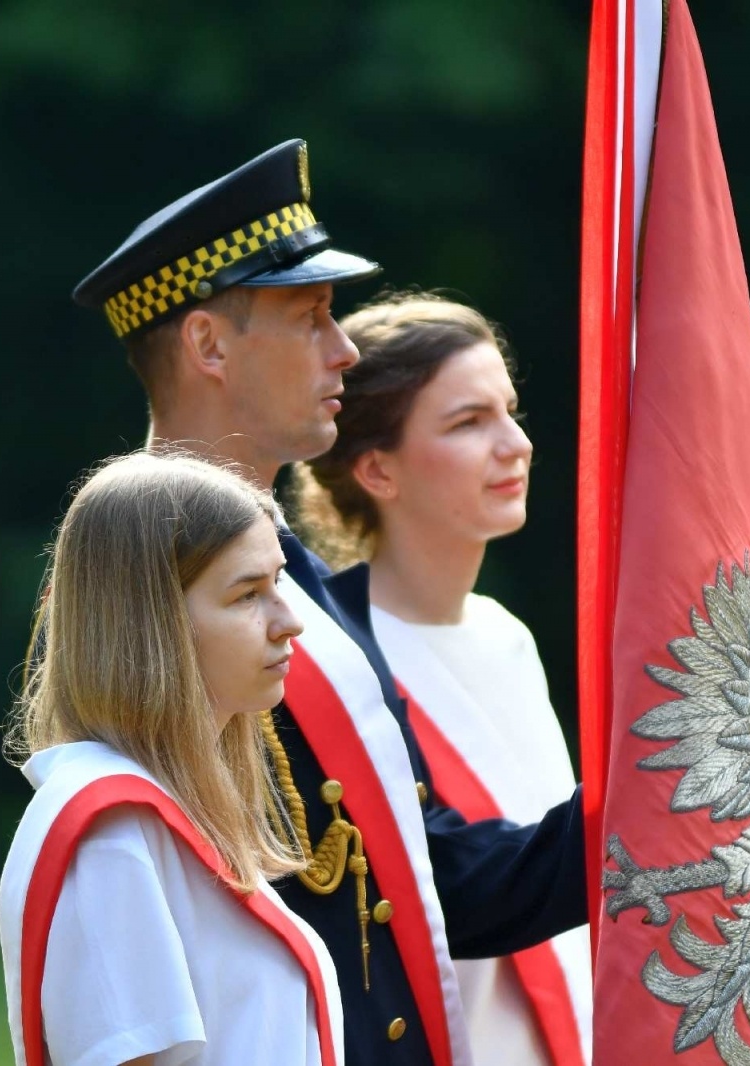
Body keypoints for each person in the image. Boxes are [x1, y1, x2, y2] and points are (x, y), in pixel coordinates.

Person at [69, 138, 587, 1066]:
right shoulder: (138, 579)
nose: (344, 349)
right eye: (310, 316)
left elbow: (423, 876)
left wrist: (655, 800)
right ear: (207, 343)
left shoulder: (300, 578)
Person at [290, 292, 592, 1064]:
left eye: (510, 411)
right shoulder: (338, 660)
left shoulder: (506, 635)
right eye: (468, 423)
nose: (514, 444)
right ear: (376, 470)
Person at [0, 451, 344, 1066]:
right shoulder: (111, 832)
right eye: (247, 595)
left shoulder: (160, 812)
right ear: (150, 624)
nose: (290, 621)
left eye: (279, 583)